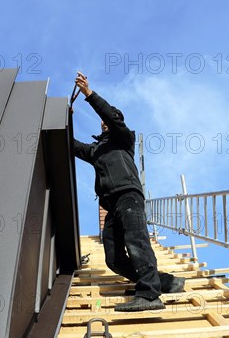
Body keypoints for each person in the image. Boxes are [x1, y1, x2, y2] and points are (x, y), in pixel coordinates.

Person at [73, 72, 185, 312]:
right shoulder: (96, 150)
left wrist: (89, 95)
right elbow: (71, 145)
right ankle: (165, 281)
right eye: (102, 122)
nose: (105, 123)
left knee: (137, 242)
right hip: (112, 206)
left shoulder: (124, 138)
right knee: (113, 259)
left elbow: (112, 118)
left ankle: (149, 295)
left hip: (129, 195)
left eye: (109, 120)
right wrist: (66, 120)